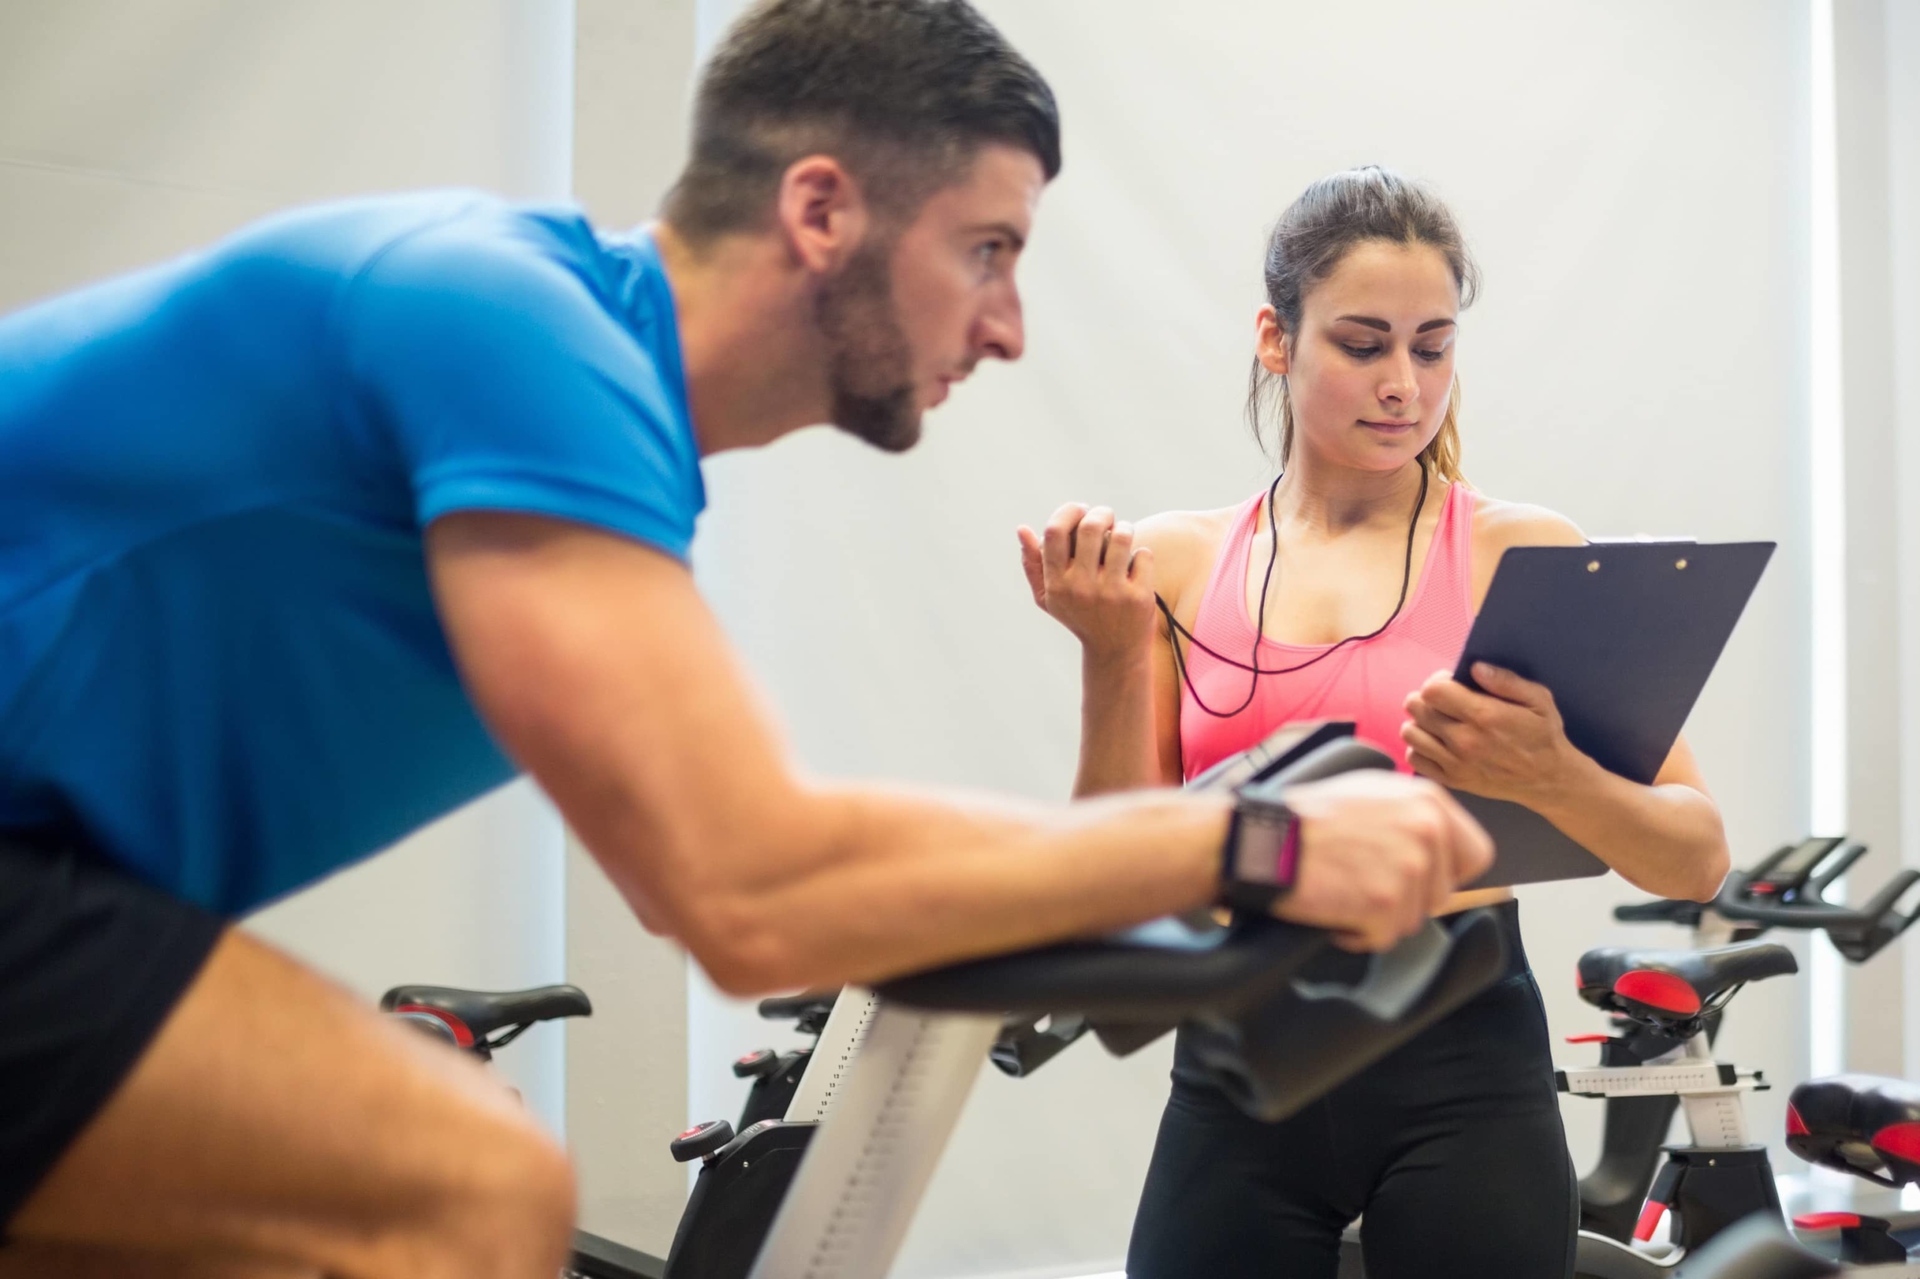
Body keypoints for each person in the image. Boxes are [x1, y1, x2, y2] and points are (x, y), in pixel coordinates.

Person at [0, 8, 1496, 1278]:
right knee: (470, 1186)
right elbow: (751, 884)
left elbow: (717, 883)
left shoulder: (608, 447)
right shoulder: (515, 329)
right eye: (987, 249)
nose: (1011, 324)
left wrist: (1186, 866)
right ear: (823, 209)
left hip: (62, 882)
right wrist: (1260, 846)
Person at [1017, 166, 1732, 1279]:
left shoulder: (1519, 552)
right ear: (1276, 336)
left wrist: (1553, 776)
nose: (1404, 383)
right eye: (1362, 343)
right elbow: (1116, 888)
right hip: (1241, 1064)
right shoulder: (1178, 560)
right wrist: (1114, 654)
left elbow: (1694, 854)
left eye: (1432, 346)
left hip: (1463, 1067)